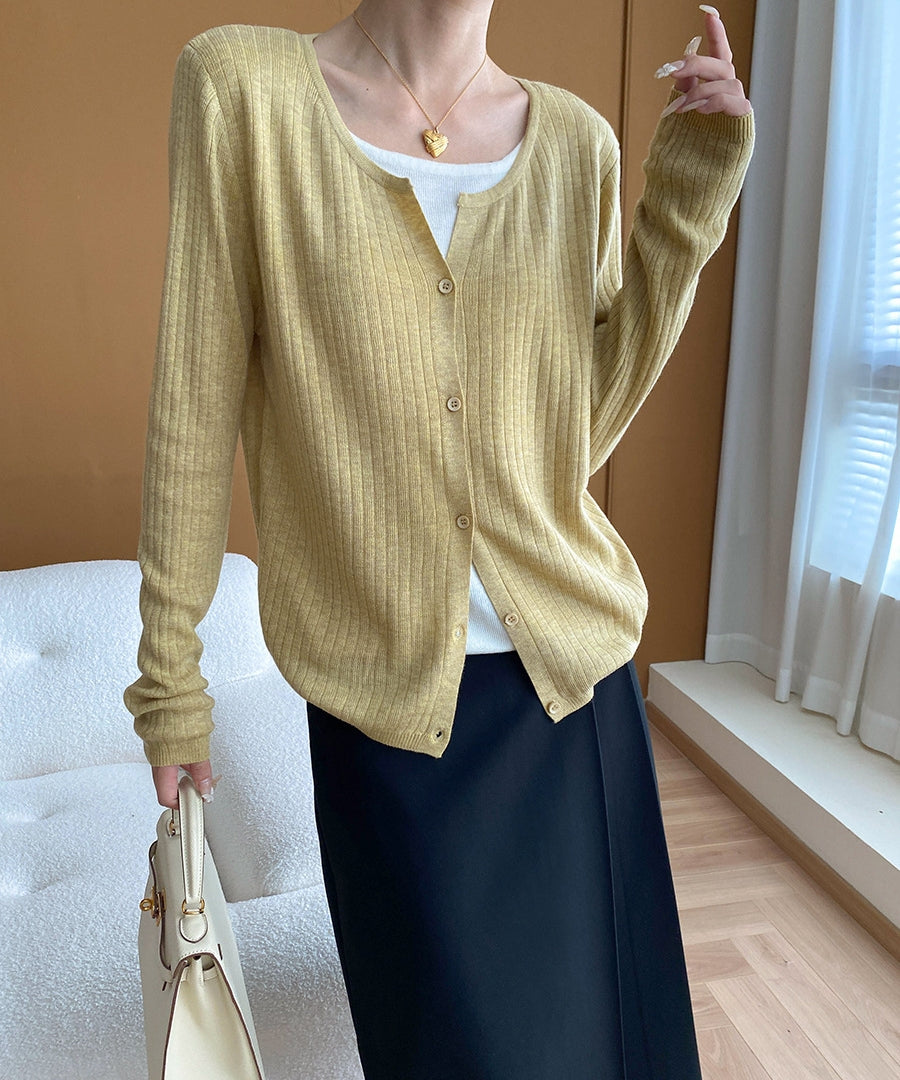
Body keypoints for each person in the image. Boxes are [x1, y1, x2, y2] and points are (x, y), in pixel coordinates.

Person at [124, 2, 753, 1076]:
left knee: (614, 1049)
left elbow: (572, 430)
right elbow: (194, 403)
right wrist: (170, 679)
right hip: (386, 709)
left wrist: (688, 198)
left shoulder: (574, 144)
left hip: (574, 694)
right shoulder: (243, 92)